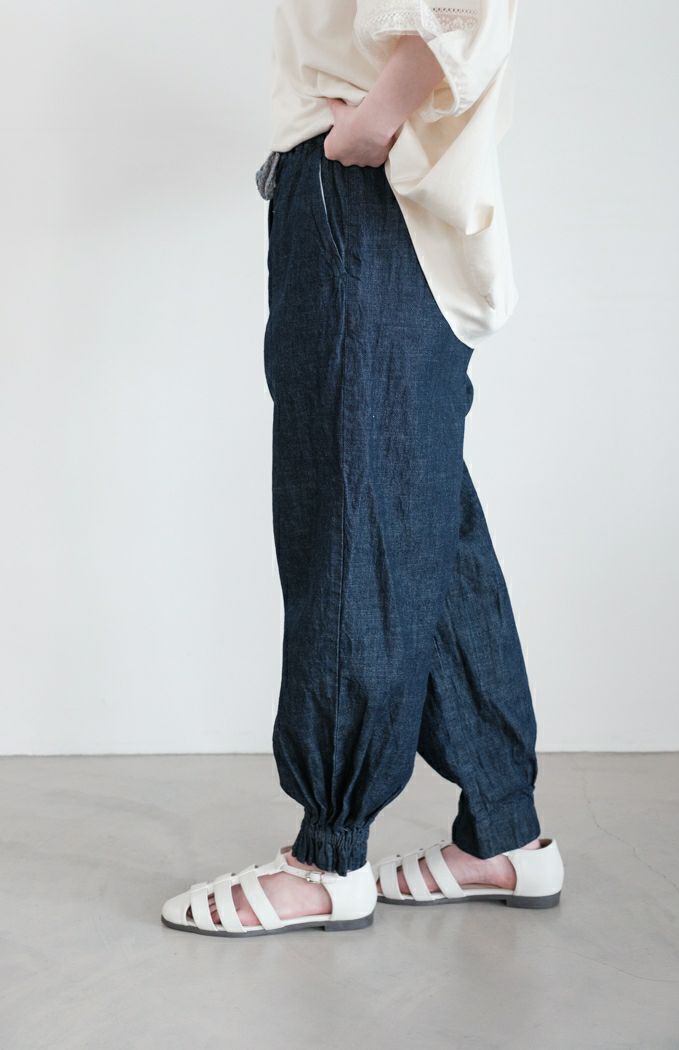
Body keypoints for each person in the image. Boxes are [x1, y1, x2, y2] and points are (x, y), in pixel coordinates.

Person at [161, 0, 565, 937]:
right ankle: (503, 832)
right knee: (416, 511)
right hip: (378, 193)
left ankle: (328, 857)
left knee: (351, 513)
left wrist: (373, 122)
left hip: (361, 191)